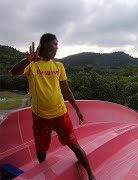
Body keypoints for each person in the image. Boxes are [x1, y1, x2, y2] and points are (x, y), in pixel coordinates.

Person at [11, 33, 95, 180]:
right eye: (54, 44)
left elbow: (66, 89)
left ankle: (91, 176)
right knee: (41, 150)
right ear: (44, 46)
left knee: (74, 145)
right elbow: (14, 72)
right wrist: (27, 60)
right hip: (40, 116)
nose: (57, 47)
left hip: (61, 114)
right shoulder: (32, 65)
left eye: (57, 45)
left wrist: (77, 109)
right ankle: (44, 174)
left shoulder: (58, 66)